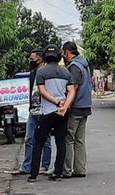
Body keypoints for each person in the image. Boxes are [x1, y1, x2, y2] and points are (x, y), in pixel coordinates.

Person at [28, 44, 75, 183]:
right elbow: (72, 91)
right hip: (62, 113)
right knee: (61, 142)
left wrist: (56, 102)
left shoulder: (41, 72)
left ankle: (33, 174)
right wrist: (64, 105)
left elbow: (42, 91)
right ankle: (58, 173)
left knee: (38, 143)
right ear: (59, 56)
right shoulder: (66, 72)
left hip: (47, 112)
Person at [12, 50, 52, 175]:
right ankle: (27, 166)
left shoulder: (47, 72)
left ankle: (45, 165)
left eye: (32, 59)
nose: (31, 61)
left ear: (40, 59)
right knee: (29, 138)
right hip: (33, 110)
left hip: (44, 109)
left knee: (45, 139)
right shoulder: (33, 73)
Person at [61, 41, 92, 179]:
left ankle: (67, 170)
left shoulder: (74, 66)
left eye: (63, 53)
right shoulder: (84, 64)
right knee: (80, 140)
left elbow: (73, 88)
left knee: (69, 138)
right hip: (85, 106)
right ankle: (80, 169)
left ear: (67, 53)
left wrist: (66, 106)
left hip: (76, 107)